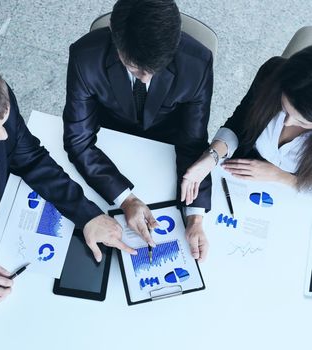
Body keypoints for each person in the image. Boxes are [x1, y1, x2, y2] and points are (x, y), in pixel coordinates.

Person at [0, 49, 136, 306]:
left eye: (4, 123)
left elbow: (30, 157)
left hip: (7, 231)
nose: (3, 137)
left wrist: (86, 214)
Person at [63, 0, 214, 261]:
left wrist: (195, 217)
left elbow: (193, 141)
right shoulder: (85, 57)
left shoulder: (197, 64)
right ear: (113, 30)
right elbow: (78, 141)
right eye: (134, 68)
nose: (145, 79)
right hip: (110, 141)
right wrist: (125, 199)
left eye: (154, 71)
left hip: (166, 149)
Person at [181, 46, 312, 202]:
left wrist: (280, 176)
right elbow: (239, 124)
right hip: (237, 182)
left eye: (302, 121)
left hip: (295, 199)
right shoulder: (273, 72)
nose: (288, 122)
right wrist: (212, 156)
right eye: (285, 109)